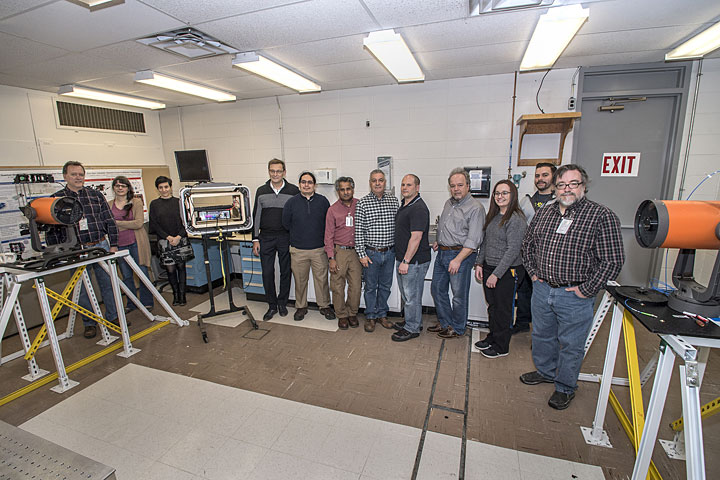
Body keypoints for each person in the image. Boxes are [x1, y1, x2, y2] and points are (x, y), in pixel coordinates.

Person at [520, 164, 624, 410]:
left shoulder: (601, 216)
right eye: (562, 185)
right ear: (555, 188)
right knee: (542, 336)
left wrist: (586, 290)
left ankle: (565, 386)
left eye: (573, 184)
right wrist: (534, 275)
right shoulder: (545, 213)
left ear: (583, 186)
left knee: (571, 343)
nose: (566, 189)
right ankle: (545, 371)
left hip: (575, 294)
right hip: (543, 288)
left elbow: (613, 260)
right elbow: (527, 247)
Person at [47, 161, 119, 339]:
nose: (78, 177)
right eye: (74, 174)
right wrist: (58, 254)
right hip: (75, 251)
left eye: (81, 174)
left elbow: (109, 220)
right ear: (65, 176)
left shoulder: (95, 195)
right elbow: (52, 229)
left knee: (108, 285)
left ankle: (113, 317)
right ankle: (89, 323)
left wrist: (114, 244)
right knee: (81, 290)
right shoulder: (57, 200)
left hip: (100, 245)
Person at [430, 168, 485, 339]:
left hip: (460, 255)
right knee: (437, 289)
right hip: (443, 253)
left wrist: (458, 260)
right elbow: (448, 226)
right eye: (453, 186)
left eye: (460, 185)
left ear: (468, 186)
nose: (456, 189)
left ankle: (458, 327)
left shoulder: (476, 208)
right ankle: (446, 322)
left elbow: (473, 240)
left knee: (459, 295)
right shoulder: (449, 203)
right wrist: (440, 239)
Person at [474, 180, 527, 358]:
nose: (500, 196)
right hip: (490, 267)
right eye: (497, 193)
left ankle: (501, 346)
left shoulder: (516, 219)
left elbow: (513, 250)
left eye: (505, 193)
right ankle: (493, 336)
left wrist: (497, 274)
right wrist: (479, 264)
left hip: (507, 270)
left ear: (512, 195)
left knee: (503, 309)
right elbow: (486, 242)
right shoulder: (494, 216)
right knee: (493, 307)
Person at [282, 171, 334, 321]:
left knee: (322, 280)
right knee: (300, 280)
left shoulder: (323, 201)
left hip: (319, 249)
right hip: (298, 250)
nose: (306, 185)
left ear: (315, 185)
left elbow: (328, 224)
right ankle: (301, 307)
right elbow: (286, 223)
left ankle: (324, 306)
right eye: (303, 182)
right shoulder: (291, 203)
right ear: (299, 185)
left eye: (309, 182)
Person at [252, 159, 300, 321]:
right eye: (272, 171)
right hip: (265, 237)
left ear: (284, 172)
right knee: (267, 272)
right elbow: (256, 216)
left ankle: (282, 303)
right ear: (269, 172)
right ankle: (271, 305)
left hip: (285, 237)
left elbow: (296, 217)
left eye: (278, 171)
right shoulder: (261, 190)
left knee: (286, 271)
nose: (275, 174)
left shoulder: (293, 190)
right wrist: (255, 239)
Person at [514, 162, 557, 335]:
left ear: (554, 177)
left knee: (544, 298)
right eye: (538, 176)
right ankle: (522, 322)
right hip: (526, 256)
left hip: (548, 258)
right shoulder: (526, 201)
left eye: (545, 175)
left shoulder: (558, 202)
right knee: (524, 292)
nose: (540, 179)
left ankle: (543, 334)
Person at [355, 170, 399, 332]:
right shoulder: (363, 203)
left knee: (386, 286)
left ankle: (382, 315)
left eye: (380, 180)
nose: (378, 183)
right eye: (374, 180)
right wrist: (362, 254)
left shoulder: (394, 201)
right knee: (370, 287)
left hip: (389, 252)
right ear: (370, 183)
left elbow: (399, 227)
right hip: (371, 254)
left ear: (385, 182)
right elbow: (358, 231)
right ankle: (370, 316)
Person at [391, 174, 431, 342]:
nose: (405, 188)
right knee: (408, 296)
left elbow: (416, 238)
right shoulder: (406, 204)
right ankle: (412, 321)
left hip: (413, 261)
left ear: (417, 187)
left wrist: (406, 261)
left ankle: (412, 328)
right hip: (404, 259)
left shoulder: (418, 208)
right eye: (403, 185)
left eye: (409, 185)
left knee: (411, 296)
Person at [109, 176, 154, 314]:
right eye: (117, 186)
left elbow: (138, 223)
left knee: (142, 272)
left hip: (136, 243)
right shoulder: (109, 204)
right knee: (126, 275)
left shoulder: (136, 202)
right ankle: (132, 302)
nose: (120, 188)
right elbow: (109, 225)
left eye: (123, 186)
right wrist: (126, 224)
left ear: (128, 188)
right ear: (114, 188)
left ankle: (147, 302)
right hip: (119, 245)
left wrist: (116, 223)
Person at [324, 176, 361, 330]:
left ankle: (352, 313)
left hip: (357, 252)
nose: (346, 192)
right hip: (339, 252)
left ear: (352, 189)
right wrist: (331, 257)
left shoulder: (360, 205)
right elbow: (328, 236)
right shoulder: (332, 210)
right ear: (337, 191)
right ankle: (342, 315)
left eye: (348, 188)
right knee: (338, 286)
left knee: (356, 286)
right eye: (342, 189)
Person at [149, 176, 188, 307]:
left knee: (181, 267)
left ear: (170, 187)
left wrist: (178, 237)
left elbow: (186, 222)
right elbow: (154, 225)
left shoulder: (179, 202)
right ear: (157, 189)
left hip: (180, 239)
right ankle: (175, 295)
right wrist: (168, 237)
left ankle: (182, 295)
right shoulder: (154, 204)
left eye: (166, 187)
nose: (164, 190)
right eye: (161, 187)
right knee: (170, 270)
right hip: (165, 241)